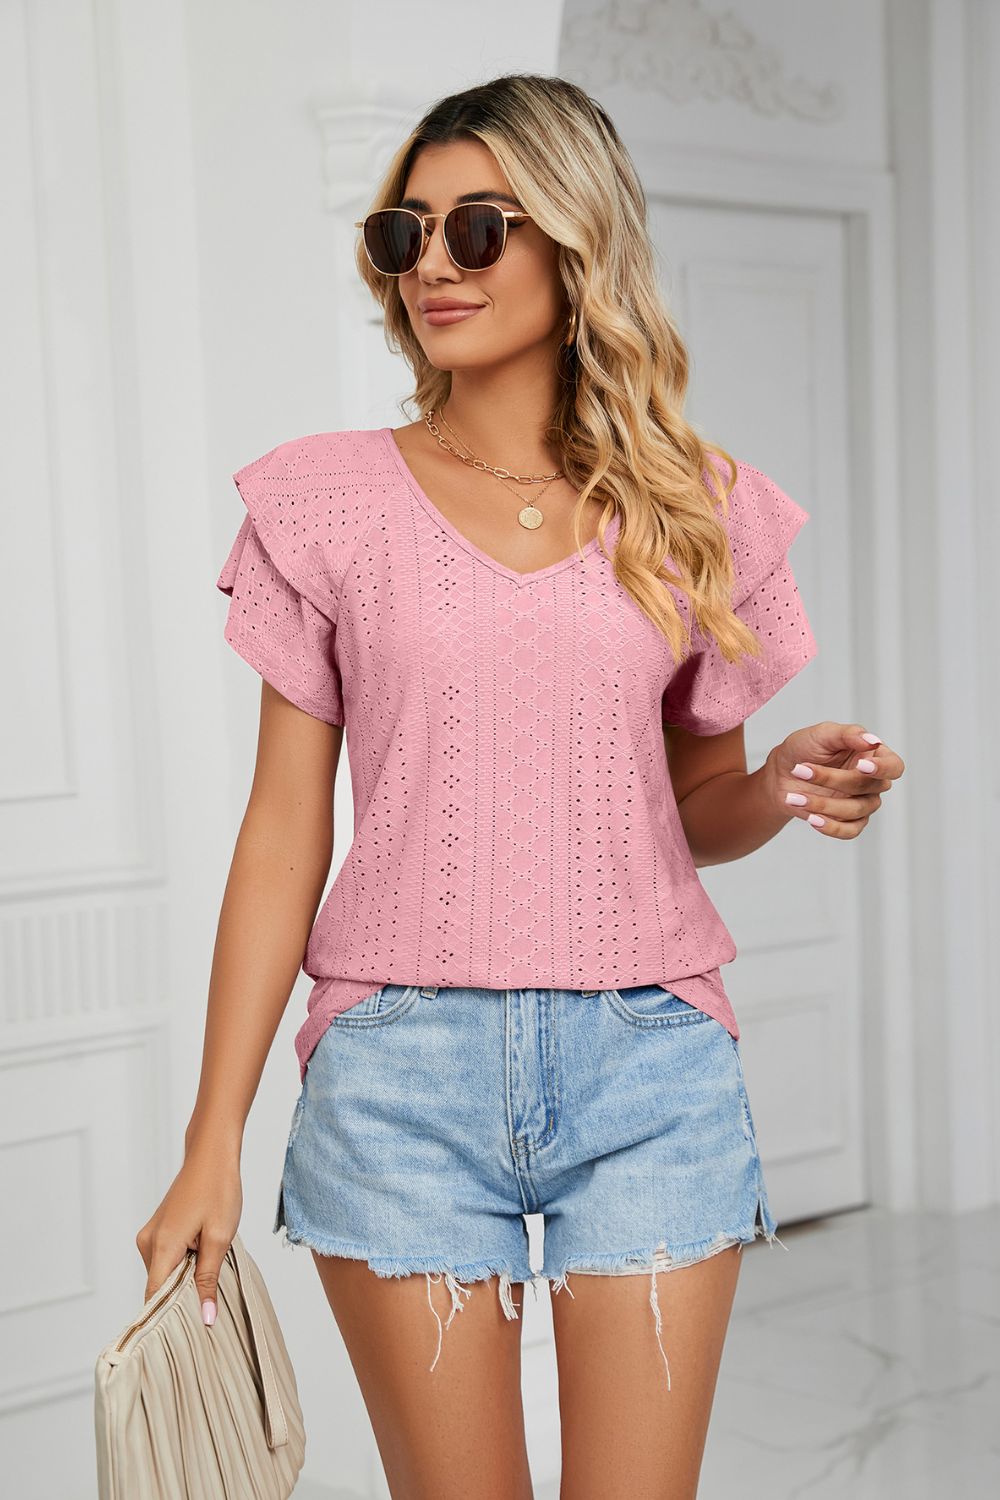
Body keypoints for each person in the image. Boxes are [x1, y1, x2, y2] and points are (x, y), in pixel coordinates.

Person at [136, 73, 904, 1500]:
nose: (433, 262)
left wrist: (785, 785)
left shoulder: (695, 505)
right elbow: (282, 832)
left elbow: (694, 808)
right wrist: (211, 1141)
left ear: (577, 239)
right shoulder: (326, 502)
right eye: (404, 233)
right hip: (399, 1073)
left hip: (653, 1065)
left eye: (479, 227)